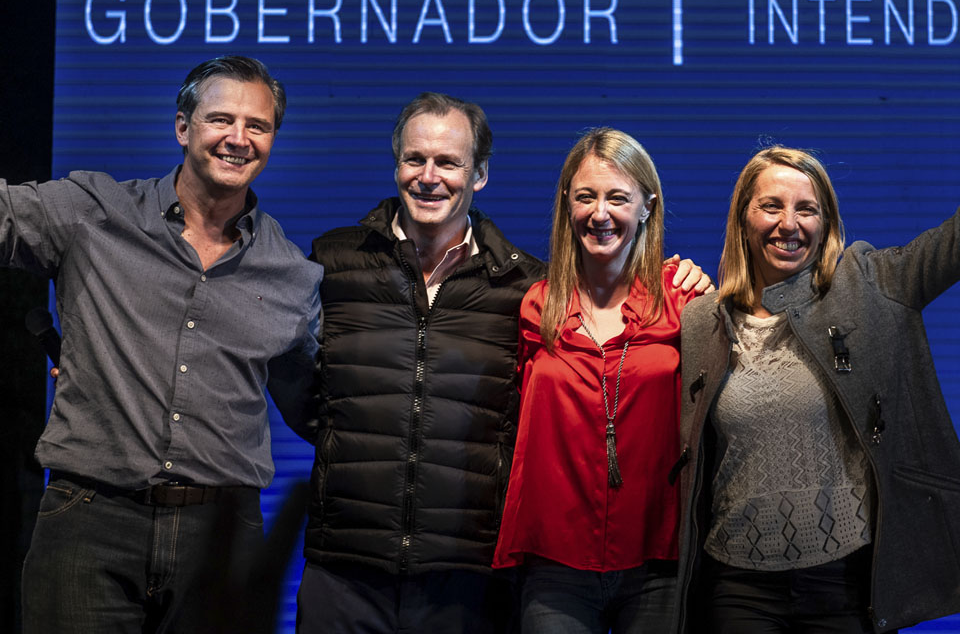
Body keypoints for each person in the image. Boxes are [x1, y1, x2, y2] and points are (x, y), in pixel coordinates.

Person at [298, 97, 708, 633]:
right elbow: (297, 381)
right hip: (349, 565)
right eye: (414, 159)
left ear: (480, 174)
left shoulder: (519, 286)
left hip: (473, 575)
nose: (429, 176)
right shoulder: (335, 261)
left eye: (448, 162)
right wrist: (337, 436)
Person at [3, 56, 323, 632]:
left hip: (224, 535)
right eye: (220, 119)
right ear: (182, 127)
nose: (238, 138)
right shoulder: (93, 215)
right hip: (90, 522)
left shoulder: (292, 274)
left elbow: (321, 410)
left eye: (258, 125)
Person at [673, 146, 960, 633]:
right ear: (742, 218)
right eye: (771, 206)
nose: (789, 224)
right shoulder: (703, 318)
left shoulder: (870, 284)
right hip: (738, 588)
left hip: (844, 587)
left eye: (806, 209)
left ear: (826, 222)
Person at [492, 127, 711, 633]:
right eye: (586, 197)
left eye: (618, 198)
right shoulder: (536, 307)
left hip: (656, 562)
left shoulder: (685, 304)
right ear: (567, 203)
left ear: (647, 207)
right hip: (555, 566)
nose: (600, 213)